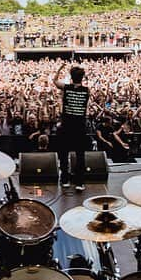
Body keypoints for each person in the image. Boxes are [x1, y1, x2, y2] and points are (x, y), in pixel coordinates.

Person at [54, 63, 89, 191]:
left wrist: (60, 68)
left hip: (66, 126)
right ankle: (79, 183)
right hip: (80, 127)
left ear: (71, 77)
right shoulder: (86, 91)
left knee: (64, 154)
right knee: (80, 155)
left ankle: (65, 180)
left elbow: (55, 81)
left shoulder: (66, 88)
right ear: (82, 77)